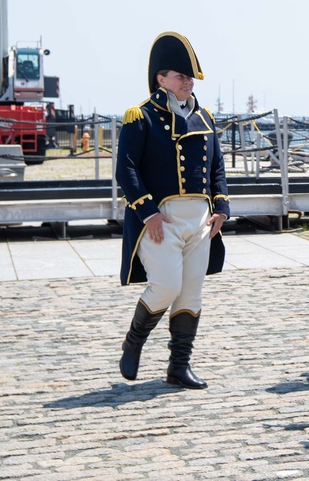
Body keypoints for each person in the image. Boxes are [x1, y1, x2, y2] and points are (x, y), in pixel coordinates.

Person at [115, 31, 229, 390]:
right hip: (159, 219)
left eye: (190, 77)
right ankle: (134, 341)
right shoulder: (141, 117)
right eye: (180, 76)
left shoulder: (205, 118)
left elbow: (217, 169)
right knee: (165, 286)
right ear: (161, 79)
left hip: (200, 220)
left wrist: (222, 207)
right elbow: (127, 168)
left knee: (190, 293)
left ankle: (179, 365)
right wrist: (147, 212)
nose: (187, 82)